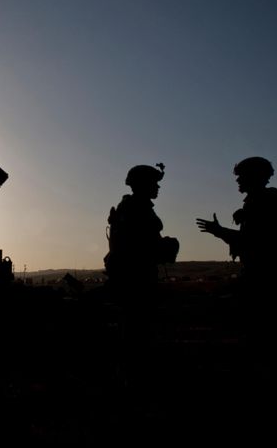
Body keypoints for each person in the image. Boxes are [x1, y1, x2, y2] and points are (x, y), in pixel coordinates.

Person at [196, 156, 277, 389]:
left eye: (241, 176)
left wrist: (219, 231)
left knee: (260, 339)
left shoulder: (264, 203)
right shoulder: (267, 202)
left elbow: (254, 242)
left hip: (264, 279)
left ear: (254, 177)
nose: (238, 181)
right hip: (270, 276)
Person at [104, 163, 179, 395]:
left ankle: (131, 379)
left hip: (133, 279)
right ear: (143, 185)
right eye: (154, 183)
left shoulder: (132, 208)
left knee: (134, 331)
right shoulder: (137, 209)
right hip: (136, 280)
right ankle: (133, 383)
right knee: (137, 334)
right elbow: (141, 247)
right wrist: (170, 245)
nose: (157, 188)